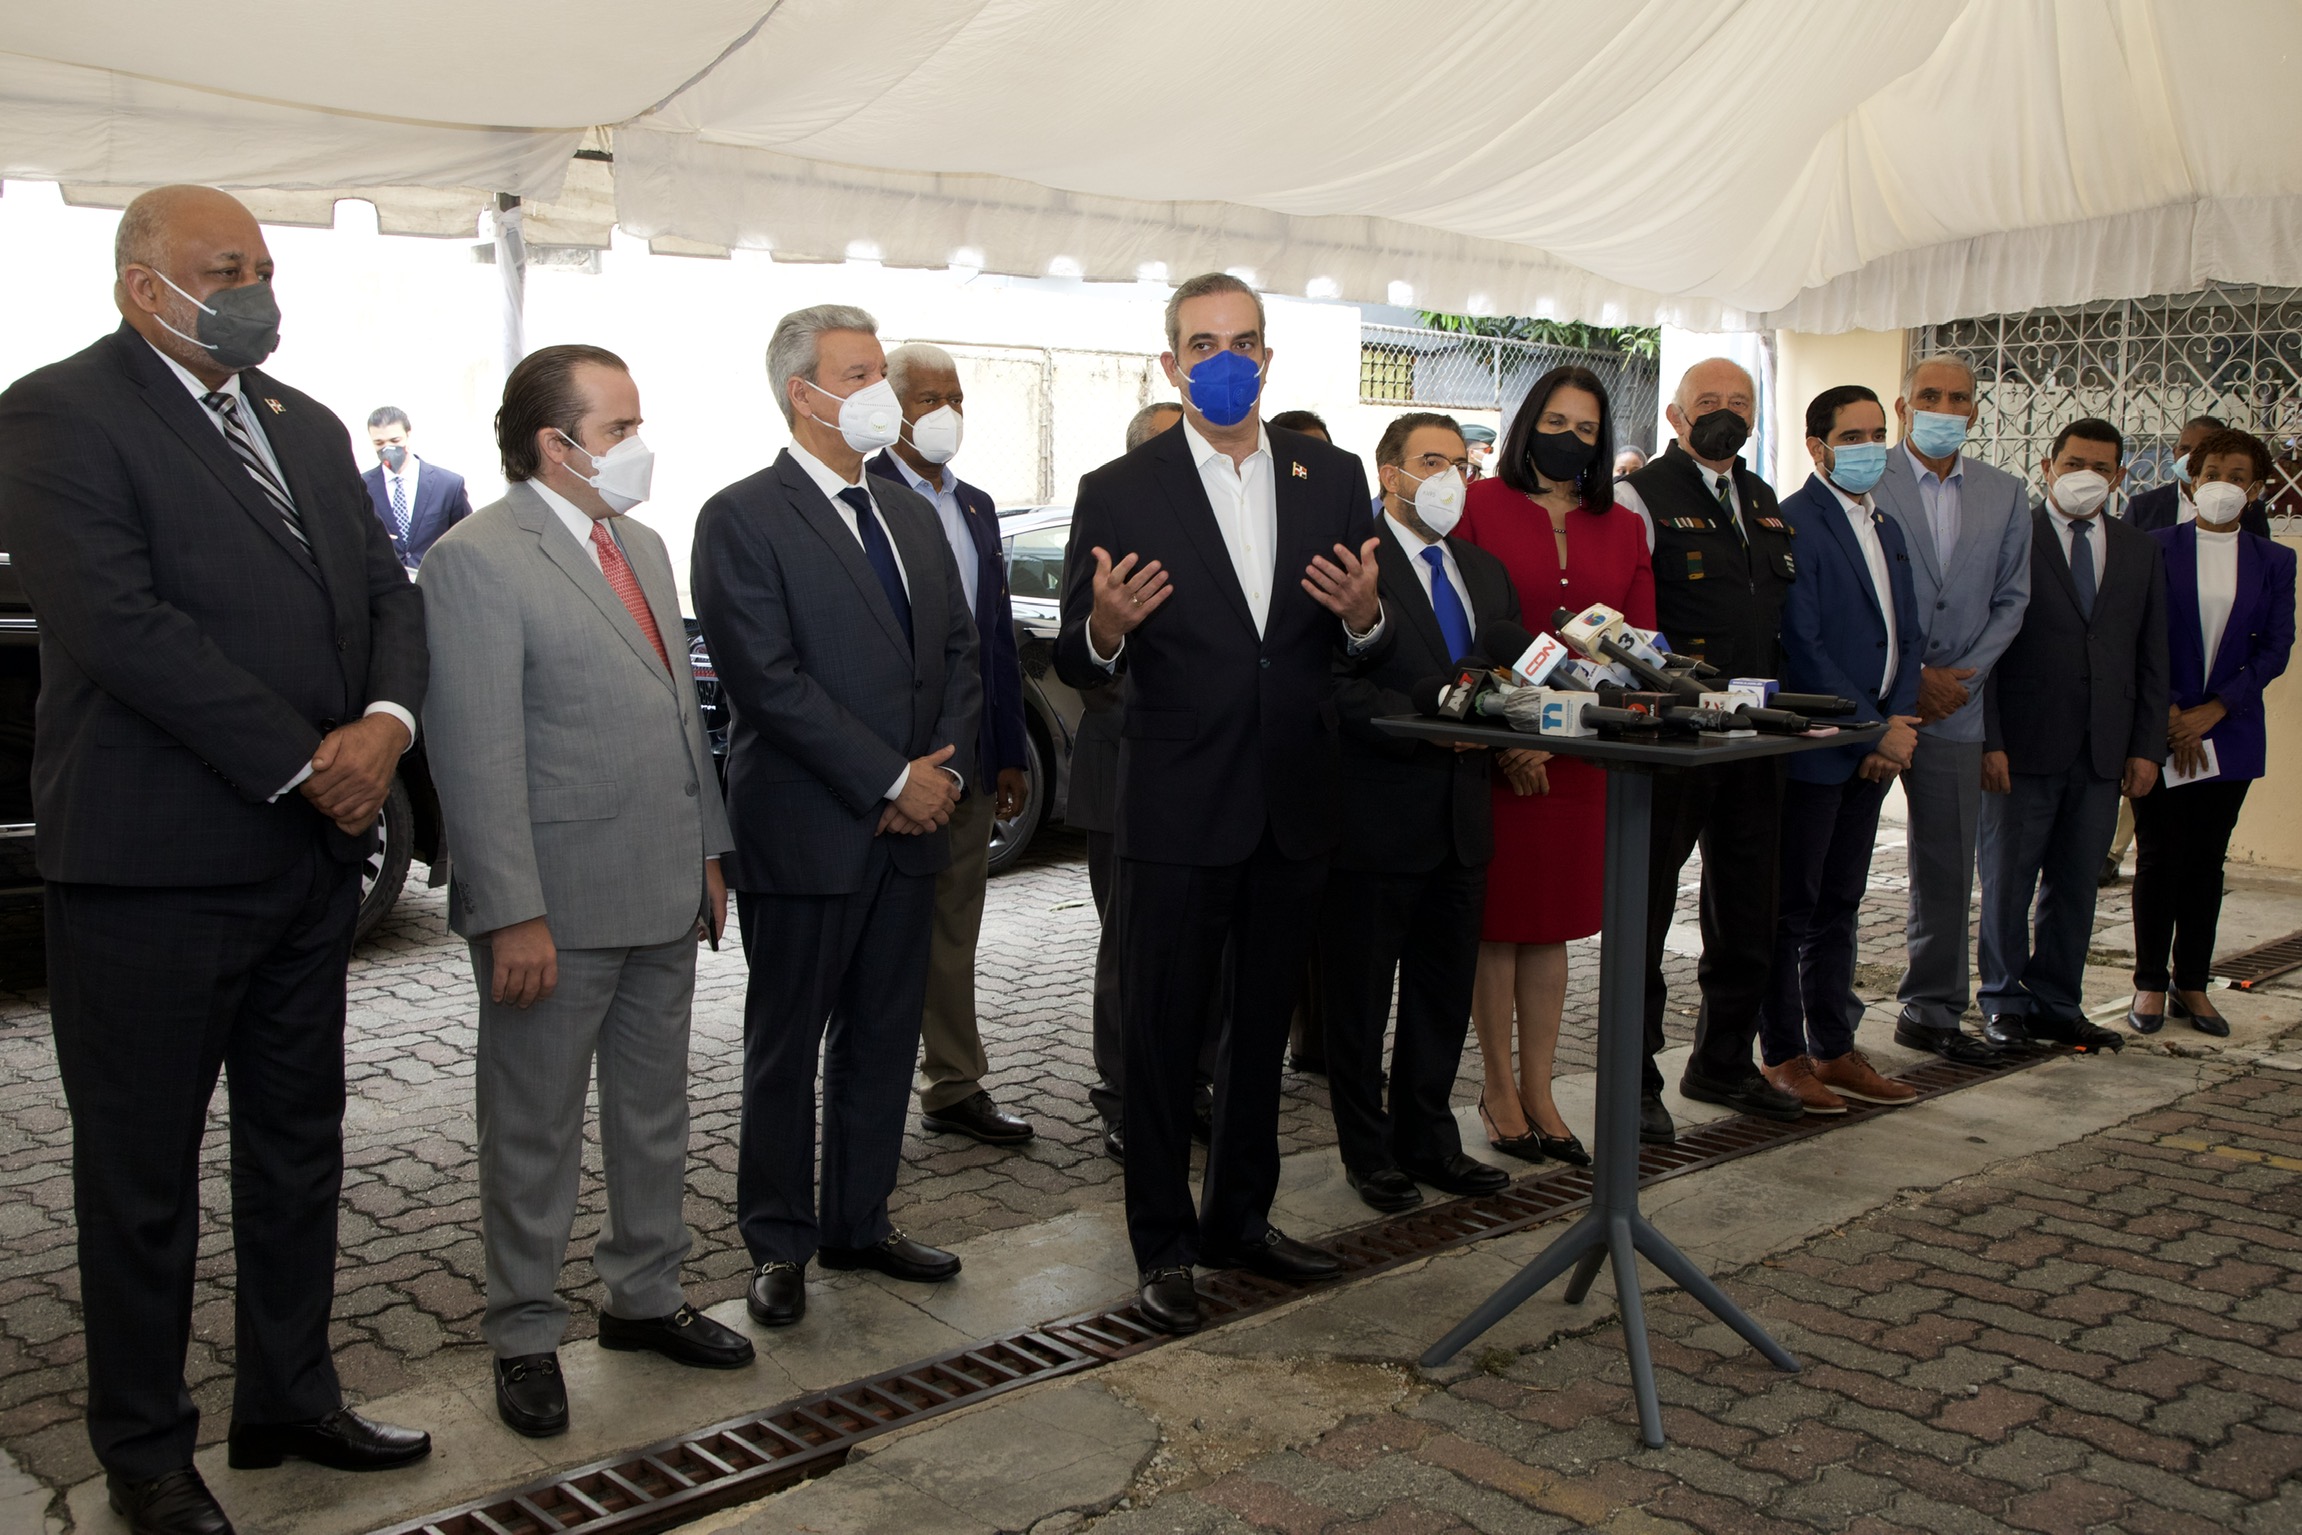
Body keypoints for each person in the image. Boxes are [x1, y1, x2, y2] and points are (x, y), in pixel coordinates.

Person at [0, 184, 430, 1535]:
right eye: (227, 268)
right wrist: (310, 760)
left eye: (264, 266)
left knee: (297, 1147)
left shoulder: (302, 420)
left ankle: (289, 1395)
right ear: (147, 286)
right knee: (142, 1179)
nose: (257, 290)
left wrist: (385, 722)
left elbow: (388, 589)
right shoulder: (60, 412)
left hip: (303, 866)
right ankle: (144, 1450)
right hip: (152, 869)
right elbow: (120, 626)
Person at [420, 345, 754, 1440]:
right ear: (552, 444)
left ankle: (643, 1296)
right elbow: (474, 752)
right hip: (551, 911)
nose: (637, 446)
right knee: (533, 1129)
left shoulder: (641, 545)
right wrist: (510, 910)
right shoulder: (476, 558)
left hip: (662, 886)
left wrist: (708, 852)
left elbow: (681, 715)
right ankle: (523, 1331)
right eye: (618, 429)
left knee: (655, 1113)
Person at [1053, 272, 1390, 1336]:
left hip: (1292, 799)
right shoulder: (1121, 488)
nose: (1224, 359)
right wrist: (1105, 627)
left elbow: (1362, 642)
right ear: (1172, 363)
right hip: (1176, 802)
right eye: (1203, 344)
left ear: (1268, 356)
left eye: (1242, 340)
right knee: (1163, 1035)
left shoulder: (1332, 476)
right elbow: (1077, 654)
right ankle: (1163, 1243)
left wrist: (1368, 616)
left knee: (1259, 1032)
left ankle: (1241, 1219)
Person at [691, 305, 981, 1330]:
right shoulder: (741, 515)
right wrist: (890, 779)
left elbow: (957, 653)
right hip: (809, 831)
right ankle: (779, 1241)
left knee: (884, 1037)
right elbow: (767, 682)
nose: (881, 395)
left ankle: (861, 1218)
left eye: (880, 374)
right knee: (786, 1046)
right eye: (857, 375)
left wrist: (939, 773)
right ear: (801, 393)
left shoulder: (906, 510)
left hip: (913, 831)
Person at [1455, 366, 1652, 1163]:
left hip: (1580, 757)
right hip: (1498, 751)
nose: (1571, 438)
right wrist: (1515, 731)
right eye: (1557, 421)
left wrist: (1565, 733)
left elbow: (1640, 646)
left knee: (1551, 929)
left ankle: (1541, 1089)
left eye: (1587, 427)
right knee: (1498, 927)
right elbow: (1464, 626)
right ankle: (1498, 1088)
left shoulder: (1624, 526)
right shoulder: (1478, 507)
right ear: (1528, 422)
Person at [1318, 412, 1514, 1212]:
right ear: (1388, 471)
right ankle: (1368, 1153)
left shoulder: (1484, 570)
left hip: (1463, 822)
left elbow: (1502, 670)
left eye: (1460, 463)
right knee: (1360, 1002)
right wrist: (1426, 727)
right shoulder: (1346, 561)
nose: (1449, 478)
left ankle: (1428, 1137)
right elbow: (1333, 686)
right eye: (1431, 461)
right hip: (1375, 818)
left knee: (1441, 994)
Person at [1611, 359, 1803, 1142]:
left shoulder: (1762, 500)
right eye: (1709, 402)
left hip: (1752, 737)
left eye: (1740, 402)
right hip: (1674, 737)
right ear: (1676, 415)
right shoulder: (1639, 496)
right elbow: (1627, 619)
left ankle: (1723, 1060)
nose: (1726, 413)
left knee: (1749, 908)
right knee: (1645, 912)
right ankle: (1633, 1078)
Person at [866, 342, 1035, 1146]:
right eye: (927, 398)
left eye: (955, 396)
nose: (945, 412)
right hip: (886, 772)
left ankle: (954, 1084)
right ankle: (866, 1100)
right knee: (876, 939)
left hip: (965, 766)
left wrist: (1007, 750)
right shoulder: (862, 495)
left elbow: (992, 637)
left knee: (953, 930)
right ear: (890, 408)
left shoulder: (975, 506)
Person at [1978, 418, 2168, 1054]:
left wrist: (2145, 747)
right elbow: (1988, 651)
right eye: (2074, 464)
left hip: (2102, 749)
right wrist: (1990, 740)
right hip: (2021, 746)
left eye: (2101, 468)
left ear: (2120, 476)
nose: (2087, 477)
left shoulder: (2139, 550)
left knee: (2076, 885)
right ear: (2047, 466)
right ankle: (2003, 1001)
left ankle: (2057, 1003)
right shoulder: (2012, 538)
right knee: (2008, 883)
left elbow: (2152, 655)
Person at [1761, 386, 1923, 1113]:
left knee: (1841, 904)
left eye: (1877, 434)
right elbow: (1804, 644)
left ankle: (1834, 1046)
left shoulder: (1886, 523)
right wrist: (1871, 727)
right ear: (1817, 446)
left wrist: (1899, 721)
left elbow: (1908, 634)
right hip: (1822, 747)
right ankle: (1782, 1054)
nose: (1868, 448)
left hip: (1878, 745)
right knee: (1792, 908)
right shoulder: (1794, 523)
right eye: (1852, 436)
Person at [1873, 354, 2034, 1064]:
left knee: (1946, 867)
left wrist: (1960, 681)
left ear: (1974, 411)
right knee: (1834, 863)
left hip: (1957, 709)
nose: (1944, 408)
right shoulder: (1864, 476)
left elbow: (2012, 600)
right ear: (1903, 406)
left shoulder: (2005, 493)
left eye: (1958, 398)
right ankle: (1822, 1021)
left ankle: (1933, 1009)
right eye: (1929, 395)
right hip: (1876, 704)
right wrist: (1913, 679)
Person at [1078, 401, 1215, 1161]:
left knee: (1208, 947)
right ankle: (1127, 1098)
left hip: (1218, 773)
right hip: (1129, 771)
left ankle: (1192, 1086)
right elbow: (1089, 657)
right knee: (1132, 950)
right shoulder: (1113, 515)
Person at [2129, 428, 2295, 1036]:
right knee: (2157, 857)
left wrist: (2215, 710)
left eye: (2237, 476)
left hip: (2231, 729)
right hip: (2162, 727)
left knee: (2206, 861)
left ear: (2256, 490)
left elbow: (2276, 647)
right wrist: (2174, 714)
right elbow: (2138, 637)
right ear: (2191, 481)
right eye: (2212, 473)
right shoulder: (2152, 548)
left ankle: (2192, 985)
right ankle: (2149, 984)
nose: (2222, 485)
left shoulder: (2274, 560)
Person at [2124, 414, 2273, 538]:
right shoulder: (2143, 506)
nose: (2190, 457)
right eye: (2184, 449)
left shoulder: (2250, 509)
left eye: (2201, 449)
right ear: (2174, 453)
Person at [363, 406, 473, 572]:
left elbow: (466, 539)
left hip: (436, 581)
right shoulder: (362, 487)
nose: (388, 448)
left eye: (395, 441)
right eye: (379, 443)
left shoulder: (447, 485)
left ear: (408, 434)